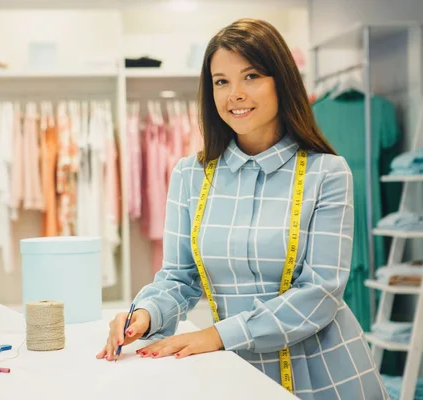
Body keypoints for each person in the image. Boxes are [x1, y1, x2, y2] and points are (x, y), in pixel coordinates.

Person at [96, 18, 388, 400]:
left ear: (281, 80)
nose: (234, 93)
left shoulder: (326, 174)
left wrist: (217, 334)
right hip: (235, 371)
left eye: (250, 76)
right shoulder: (190, 175)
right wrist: (145, 315)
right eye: (221, 81)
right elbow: (179, 278)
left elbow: (320, 293)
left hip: (322, 374)